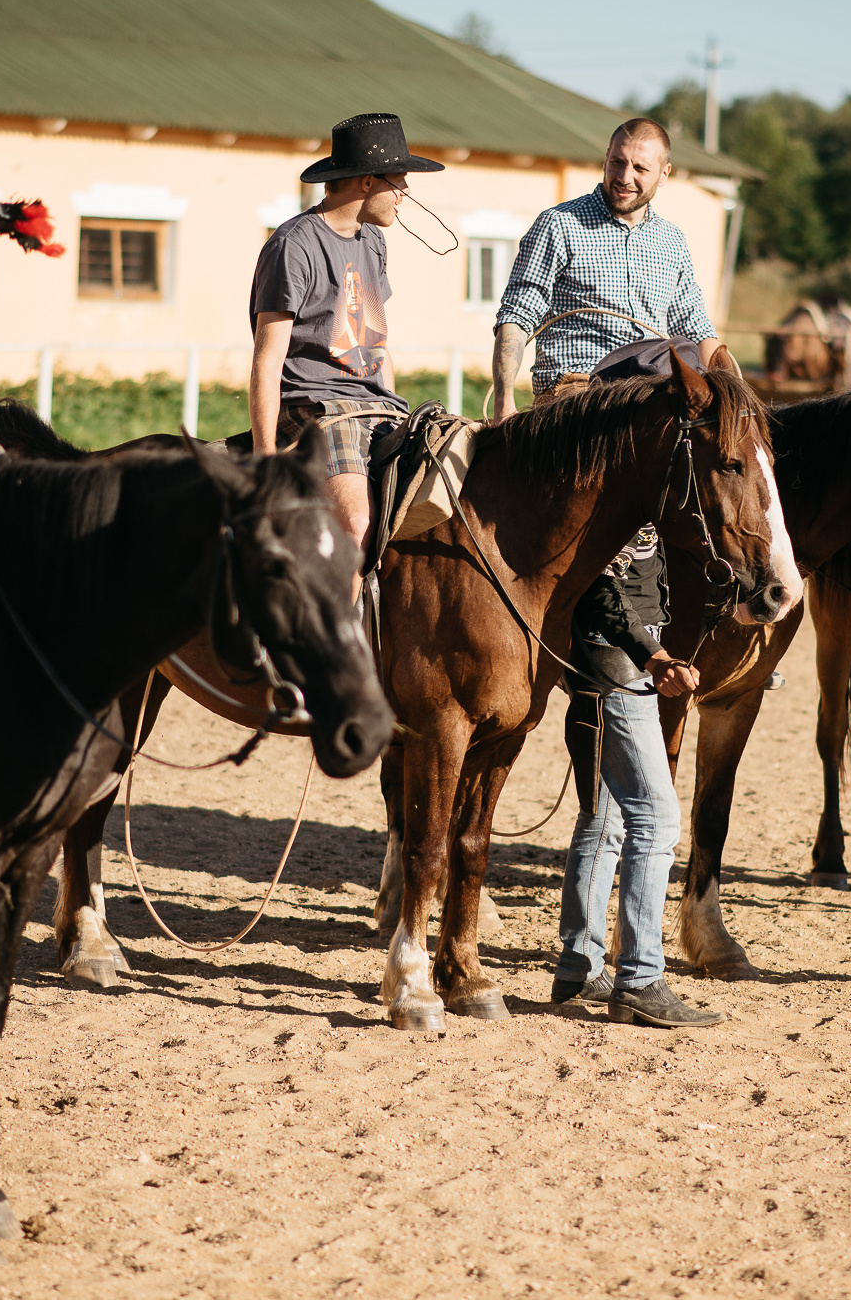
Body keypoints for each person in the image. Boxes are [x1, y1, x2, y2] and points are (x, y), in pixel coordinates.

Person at [550, 340, 720, 1028]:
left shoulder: (620, 482)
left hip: (609, 661)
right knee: (657, 817)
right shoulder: (606, 490)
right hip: (616, 667)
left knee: (607, 816)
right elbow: (600, 590)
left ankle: (580, 966)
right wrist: (653, 655)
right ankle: (641, 978)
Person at [249, 113, 442, 569]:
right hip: (315, 407)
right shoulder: (293, 245)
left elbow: (375, 342)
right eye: (399, 180)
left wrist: (395, 409)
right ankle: (340, 618)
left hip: (375, 407)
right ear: (367, 181)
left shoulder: (372, 240)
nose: (406, 192)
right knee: (356, 523)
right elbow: (267, 361)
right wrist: (265, 461)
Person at [491, 118, 720, 410]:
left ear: (664, 174)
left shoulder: (672, 240)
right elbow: (518, 314)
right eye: (617, 162)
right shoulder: (559, 225)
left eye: (640, 169)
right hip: (578, 392)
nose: (624, 177)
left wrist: (732, 394)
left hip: (651, 393)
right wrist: (504, 403)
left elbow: (694, 326)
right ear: (605, 160)